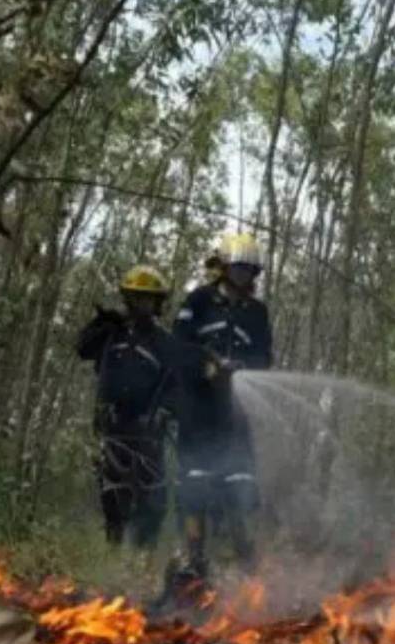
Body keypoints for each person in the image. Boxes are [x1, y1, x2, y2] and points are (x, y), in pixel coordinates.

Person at [165, 232, 272, 594]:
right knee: (194, 487)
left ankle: (246, 567)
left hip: (235, 418)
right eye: (238, 268)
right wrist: (205, 369)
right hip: (198, 415)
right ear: (225, 268)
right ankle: (192, 561)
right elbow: (178, 347)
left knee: (240, 487)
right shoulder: (198, 301)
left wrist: (239, 369)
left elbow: (264, 359)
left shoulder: (257, 313)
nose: (244, 276)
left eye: (250, 270)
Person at [76, 265, 175, 551]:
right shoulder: (112, 332)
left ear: (158, 303)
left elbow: (176, 386)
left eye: (148, 299)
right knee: (113, 494)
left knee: (153, 499)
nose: (142, 304)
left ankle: (144, 557)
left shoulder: (164, 342)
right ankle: (114, 550)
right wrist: (101, 323)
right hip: (113, 425)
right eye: (136, 297)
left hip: (148, 431)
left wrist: (164, 412)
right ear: (127, 298)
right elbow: (82, 349)